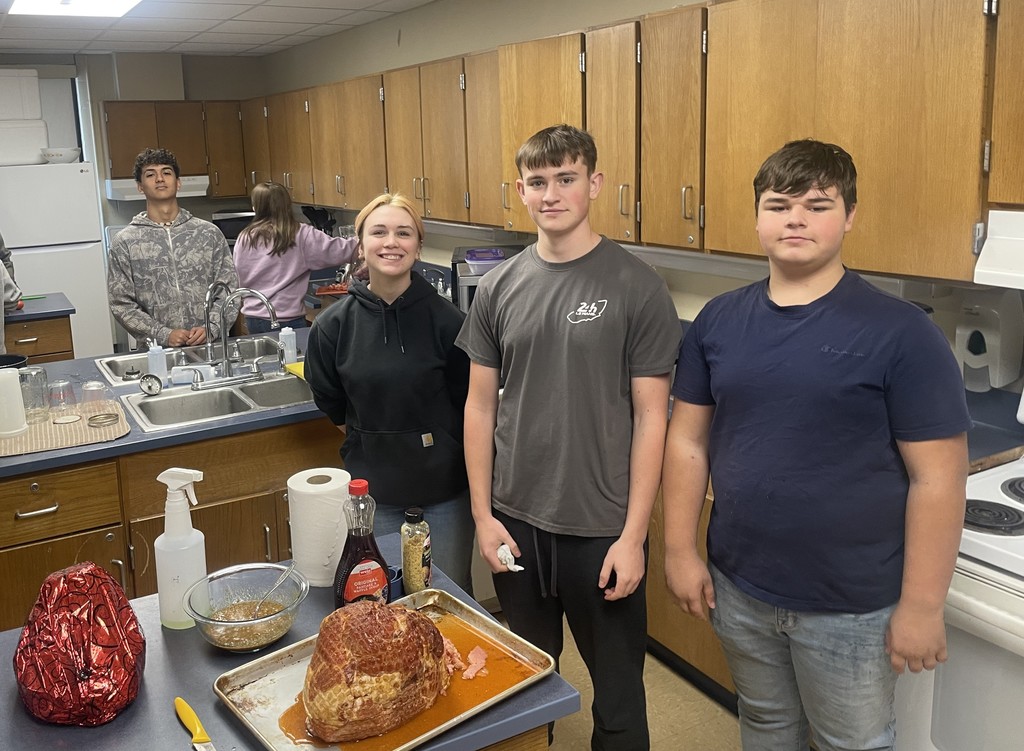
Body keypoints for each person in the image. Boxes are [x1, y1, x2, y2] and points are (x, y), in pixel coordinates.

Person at [662, 139, 971, 751]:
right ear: (757, 218)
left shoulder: (903, 333)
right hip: (739, 586)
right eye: (779, 205)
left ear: (850, 216)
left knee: (850, 743)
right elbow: (687, 443)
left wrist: (922, 604)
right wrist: (679, 550)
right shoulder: (717, 323)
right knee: (766, 723)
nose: (795, 218)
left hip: (852, 606)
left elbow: (939, 478)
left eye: (818, 204)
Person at [456, 124, 680, 750]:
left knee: (618, 699)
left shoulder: (637, 286)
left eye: (566, 179)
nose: (551, 194)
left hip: (600, 528)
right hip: (517, 522)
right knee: (523, 690)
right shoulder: (499, 287)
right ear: (520, 192)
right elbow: (478, 408)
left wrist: (634, 536)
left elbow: (652, 418)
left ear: (594, 184)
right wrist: (483, 516)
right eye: (537, 182)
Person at [304, 193, 474, 594]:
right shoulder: (332, 327)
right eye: (378, 232)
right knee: (378, 609)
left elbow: (470, 404)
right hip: (371, 502)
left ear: (418, 246)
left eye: (404, 233)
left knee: (443, 604)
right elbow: (333, 403)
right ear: (361, 245)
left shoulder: (451, 324)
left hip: (444, 498)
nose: (391, 242)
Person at [107, 148, 237, 348]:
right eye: (150, 174)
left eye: (166, 172)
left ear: (178, 182)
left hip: (210, 348)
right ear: (140, 186)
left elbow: (229, 290)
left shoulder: (208, 234)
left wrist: (212, 326)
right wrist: (162, 334)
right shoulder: (125, 242)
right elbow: (121, 304)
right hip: (157, 353)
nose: (160, 179)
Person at [234, 182, 359, 334]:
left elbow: (239, 274)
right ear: (287, 204)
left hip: (253, 317)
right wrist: (369, 238)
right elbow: (343, 250)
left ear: (256, 207)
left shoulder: (245, 236)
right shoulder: (300, 234)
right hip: (285, 320)